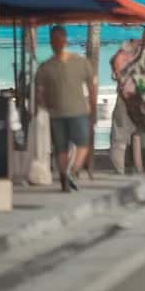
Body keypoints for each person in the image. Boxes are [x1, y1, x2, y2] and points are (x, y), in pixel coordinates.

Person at [35, 25, 96, 192]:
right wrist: (92, 107)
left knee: (61, 148)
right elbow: (91, 87)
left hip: (56, 113)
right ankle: (71, 172)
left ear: (51, 43)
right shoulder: (80, 62)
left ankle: (65, 174)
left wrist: (46, 106)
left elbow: (39, 94)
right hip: (77, 111)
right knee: (83, 145)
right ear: (65, 41)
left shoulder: (45, 67)